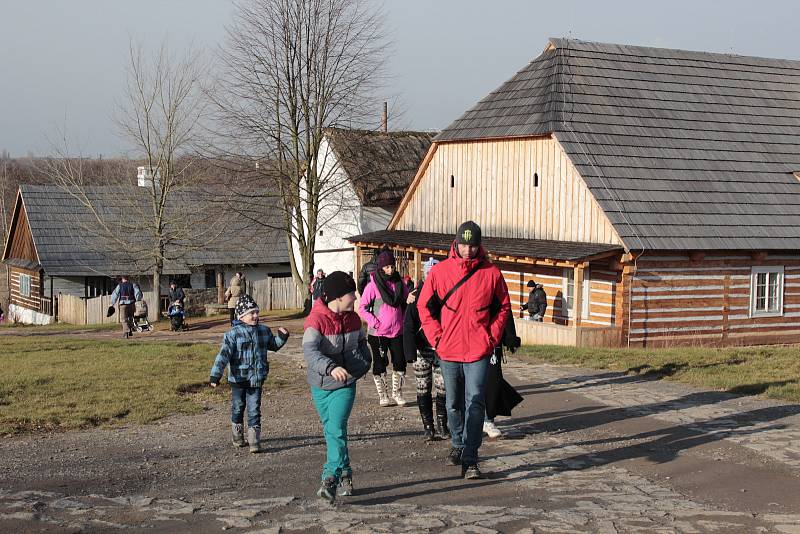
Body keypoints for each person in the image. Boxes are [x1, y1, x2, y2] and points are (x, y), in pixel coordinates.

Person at [418, 221, 511, 480]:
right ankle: (457, 443)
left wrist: (491, 336)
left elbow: (504, 306)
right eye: (463, 244)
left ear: (479, 245)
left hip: (478, 349)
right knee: (452, 403)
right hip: (448, 349)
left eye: (472, 245)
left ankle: (471, 458)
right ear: (455, 243)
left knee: (476, 401)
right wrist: (436, 336)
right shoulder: (440, 272)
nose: (467, 250)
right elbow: (423, 307)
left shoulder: (491, 273)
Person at [303, 271, 371, 503]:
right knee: (332, 431)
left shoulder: (352, 318)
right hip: (321, 384)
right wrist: (330, 367)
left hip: (345, 383)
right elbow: (310, 352)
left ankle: (330, 478)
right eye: (352, 294)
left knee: (336, 430)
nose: (355, 298)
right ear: (338, 297)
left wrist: (364, 362)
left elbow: (361, 341)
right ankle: (346, 473)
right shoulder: (316, 320)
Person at [209, 294, 289, 453]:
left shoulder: (263, 331)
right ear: (241, 316)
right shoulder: (232, 334)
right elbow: (223, 355)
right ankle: (237, 436)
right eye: (251, 313)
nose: (255, 316)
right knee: (238, 407)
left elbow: (273, 345)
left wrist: (282, 337)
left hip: (256, 379)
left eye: (257, 312)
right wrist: (215, 375)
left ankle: (254, 441)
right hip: (238, 379)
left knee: (254, 409)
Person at [403, 257, 449, 441]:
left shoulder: (446, 295)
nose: (432, 277)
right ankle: (428, 427)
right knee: (423, 388)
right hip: (421, 349)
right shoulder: (415, 297)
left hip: (441, 349)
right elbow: (408, 325)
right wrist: (409, 352)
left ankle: (442, 425)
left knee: (443, 388)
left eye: (434, 273)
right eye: (429, 273)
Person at [359, 250, 410, 407]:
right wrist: (374, 322)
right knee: (380, 363)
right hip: (378, 333)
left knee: (400, 362)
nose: (390, 270)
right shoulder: (372, 286)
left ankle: (397, 393)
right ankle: (383, 395)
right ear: (380, 268)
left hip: (397, 331)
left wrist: (411, 299)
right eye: (387, 267)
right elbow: (362, 308)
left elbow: (406, 300)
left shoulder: (399, 283)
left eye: (392, 267)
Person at [483, 316, 524, 439]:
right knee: (469, 381)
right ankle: (468, 420)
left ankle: (487, 420)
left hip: (492, 340)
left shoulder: (498, 295)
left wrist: (510, 336)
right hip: (466, 335)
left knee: (493, 379)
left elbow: (505, 312)